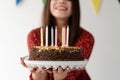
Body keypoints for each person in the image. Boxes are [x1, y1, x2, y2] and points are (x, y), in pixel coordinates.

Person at [20, 0, 94, 80]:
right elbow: (39, 73)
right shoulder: (35, 35)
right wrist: (37, 73)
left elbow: (71, 75)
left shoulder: (86, 37)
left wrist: (60, 76)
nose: (61, 1)